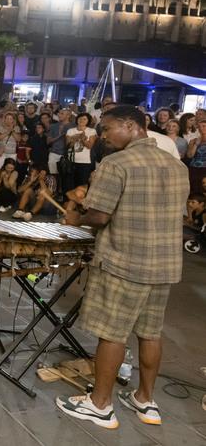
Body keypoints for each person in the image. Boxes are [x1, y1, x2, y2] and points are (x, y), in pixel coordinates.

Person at [57, 105, 189, 430]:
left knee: (112, 334)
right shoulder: (176, 166)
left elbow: (100, 215)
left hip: (125, 262)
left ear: (131, 126)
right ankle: (145, 400)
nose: (103, 137)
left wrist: (76, 217)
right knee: (150, 333)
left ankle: (100, 405)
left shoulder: (116, 164)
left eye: (108, 129)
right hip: (163, 266)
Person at [66, 113, 97, 188]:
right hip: (71, 161)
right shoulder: (70, 130)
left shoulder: (91, 131)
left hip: (85, 162)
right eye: (80, 118)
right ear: (77, 119)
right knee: (70, 184)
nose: (81, 120)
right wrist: (78, 136)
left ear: (88, 121)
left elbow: (89, 146)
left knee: (82, 185)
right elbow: (68, 145)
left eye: (84, 119)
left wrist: (83, 140)